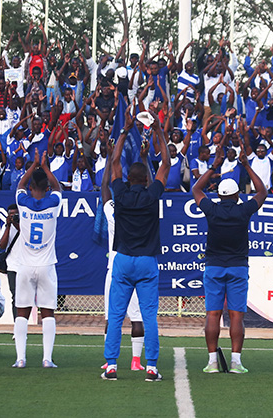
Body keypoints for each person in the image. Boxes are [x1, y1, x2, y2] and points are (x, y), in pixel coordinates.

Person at [102, 111, 169, 382]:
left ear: (129, 179)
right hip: (146, 261)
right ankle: (151, 367)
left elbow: (115, 161)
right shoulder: (153, 194)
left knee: (116, 315)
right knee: (149, 316)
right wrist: (159, 133)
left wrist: (125, 130)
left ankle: (111, 366)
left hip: (123, 259)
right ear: (146, 180)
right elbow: (165, 162)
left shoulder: (120, 193)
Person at [193, 144, 267, 374]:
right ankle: (236, 362)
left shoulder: (211, 209)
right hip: (237, 268)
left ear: (219, 195)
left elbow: (196, 189)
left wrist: (213, 166)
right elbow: (262, 191)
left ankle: (212, 362)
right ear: (236, 195)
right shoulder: (243, 210)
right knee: (236, 316)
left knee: (213, 315)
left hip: (214, 267)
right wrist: (247, 166)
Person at [11, 151, 62, 369]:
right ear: (46, 189)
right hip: (46, 265)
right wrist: (45, 167)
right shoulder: (53, 203)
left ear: (32, 188)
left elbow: (20, 186)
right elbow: (58, 188)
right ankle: (47, 359)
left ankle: (20, 358)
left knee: (22, 312)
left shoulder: (23, 203)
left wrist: (33, 167)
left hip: (25, 265)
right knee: (48, 312)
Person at [100, 157, 145, 372]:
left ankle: (111, 361)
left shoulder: (114, 210)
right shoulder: (143, 207)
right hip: (137, 265)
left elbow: (104, 189)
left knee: (113, 317)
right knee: (138, 317)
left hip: (116, 268)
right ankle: (136, 361)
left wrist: (110, 160)